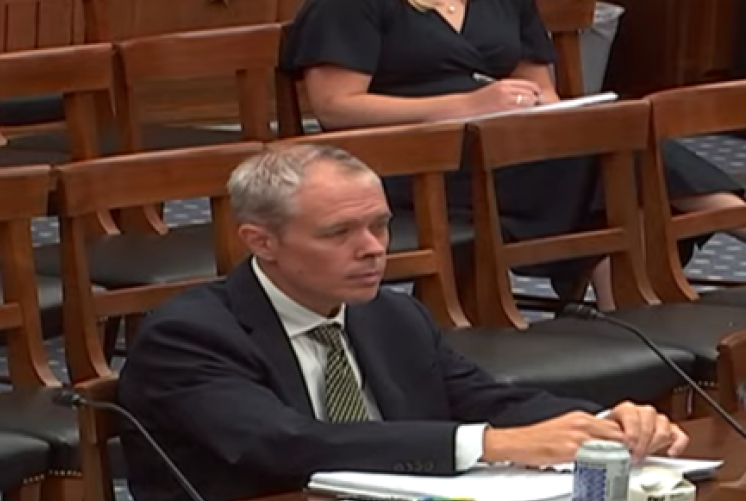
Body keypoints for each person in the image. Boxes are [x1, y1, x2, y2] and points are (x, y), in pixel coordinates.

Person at [118, 145, 688, 501]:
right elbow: (287, 443)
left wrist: (606, 425)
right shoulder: (190, 335)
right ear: (260, 242)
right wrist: (490, 444)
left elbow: (488, 398)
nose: (372, 249)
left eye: (380, 225)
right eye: (339, 232)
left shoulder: (391, 316)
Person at [279, 0, 746, 308]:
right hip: (412, 160)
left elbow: (538, 84)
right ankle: (725, 218)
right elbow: (336, 107)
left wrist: (543, 105)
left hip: (513, 149)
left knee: (613, 142)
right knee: (609, 157)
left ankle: (626, 305)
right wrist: (465, 106)